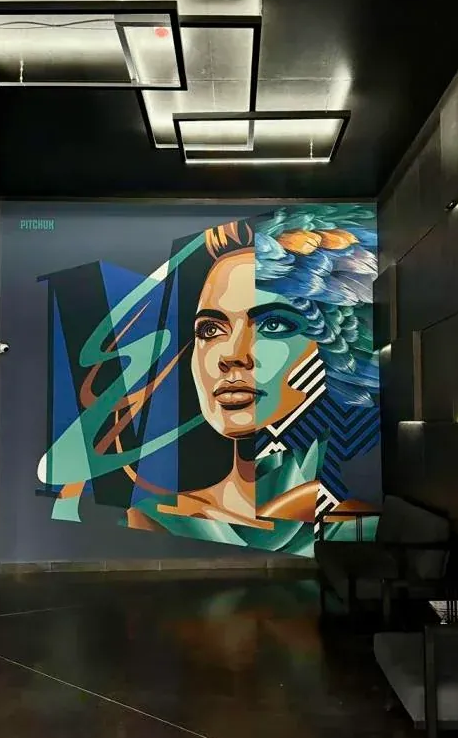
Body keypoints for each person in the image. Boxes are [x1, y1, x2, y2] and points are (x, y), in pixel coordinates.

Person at [126, 207, 378, 547]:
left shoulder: (354, 520)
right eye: (211, 329)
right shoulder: (156, 518)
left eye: (272, 324)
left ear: (330, 345)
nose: (232, 355)